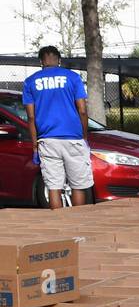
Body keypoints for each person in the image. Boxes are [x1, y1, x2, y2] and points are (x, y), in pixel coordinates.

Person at [21, 46, 92, 209]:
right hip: (73, 138)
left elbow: (31, 117)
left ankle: (59, 224)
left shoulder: (30, 82)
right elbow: (82, 110)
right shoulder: (73, 77)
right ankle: (77, 224)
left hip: (47, 140)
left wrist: (34, 146)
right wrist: (85, 137)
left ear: (41, 62)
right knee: (78, 185)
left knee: (53, 186)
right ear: (59, 60)